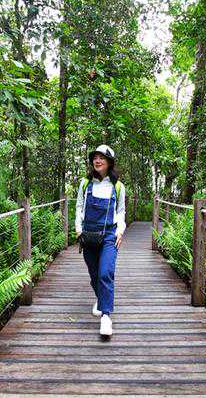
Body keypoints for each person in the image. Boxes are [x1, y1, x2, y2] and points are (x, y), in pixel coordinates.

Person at [75, 144, 126, 336]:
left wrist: (120, 230)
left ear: (109, 162)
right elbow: (79, 206)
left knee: (105, 273)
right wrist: (78, 229)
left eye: (102, 158)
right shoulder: (85, 183)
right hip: (88, 234)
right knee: (94, 273)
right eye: (95, 157)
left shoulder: (118, 186)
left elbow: (121, 211)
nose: (97, 161)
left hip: (109, 235)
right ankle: (101, 299)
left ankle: (106, 316)